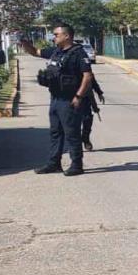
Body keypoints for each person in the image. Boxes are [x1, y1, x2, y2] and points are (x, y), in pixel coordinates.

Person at [19, 23, 93, 176]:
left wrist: (78, 96)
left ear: (67, 36)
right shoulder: (56, 52)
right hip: (55, 98)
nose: (54, 37)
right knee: (55, 133)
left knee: (72, 133)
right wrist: (24, 42)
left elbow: (87, 76)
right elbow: (35, 52)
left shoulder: (78, 54)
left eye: (56, 35)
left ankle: (77, 165)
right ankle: (54, 163)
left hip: (70, 100)